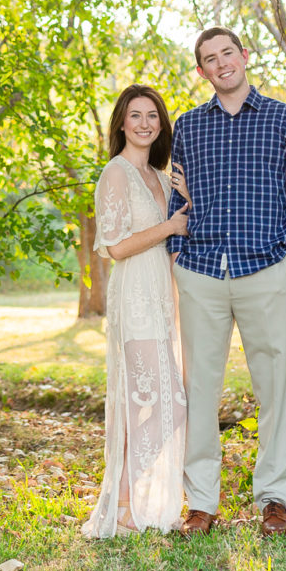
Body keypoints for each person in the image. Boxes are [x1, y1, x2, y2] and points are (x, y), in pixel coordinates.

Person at [167, 27, 286, 537]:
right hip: (202, 272)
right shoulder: (188, 127)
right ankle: (202, 503)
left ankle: (275, 500)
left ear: (244, 56)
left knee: (276, 387)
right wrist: (177, 255)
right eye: (209, 59)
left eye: (227, 53)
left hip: (266, 269)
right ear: (202, 71)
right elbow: (177, 199)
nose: (221, 63)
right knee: (200, 390)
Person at [82, 84, 191, 538]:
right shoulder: (116, 172)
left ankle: (130, 501)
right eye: (135, 115)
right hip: (134, 299)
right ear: (122, 123)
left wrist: (183, 200)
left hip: (163, 297)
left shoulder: (161, 178)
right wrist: (168, 225)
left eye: (153, 116)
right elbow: (112, 246)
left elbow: (175, 241)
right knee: (151, 402)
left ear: (161, 124)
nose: (145, 123)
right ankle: (124, 503)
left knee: (170, 405)